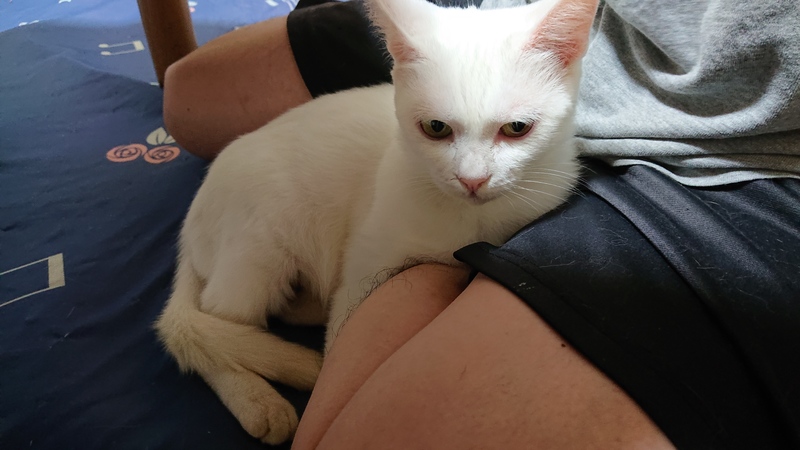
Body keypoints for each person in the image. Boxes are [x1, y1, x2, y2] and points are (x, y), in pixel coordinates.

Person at [162, 0, 800, 448]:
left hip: (728, 145)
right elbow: (364, 276)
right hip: (272, 184)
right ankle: (221, 344)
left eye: (515, 130)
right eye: (437, 129)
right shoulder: (417, 150)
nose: (472, 175)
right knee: (200, 112)